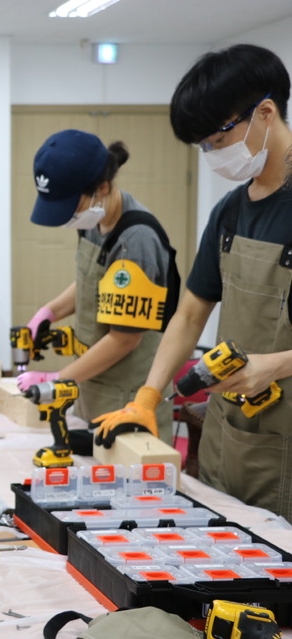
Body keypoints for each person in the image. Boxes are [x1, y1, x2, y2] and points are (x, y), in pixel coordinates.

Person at [93, 44, 292, 520]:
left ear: (265, 113)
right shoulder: (230, 210)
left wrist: (277, 364)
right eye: (202, 146)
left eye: (217, 140)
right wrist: (147, 396)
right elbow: (190, 312)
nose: (212, 156)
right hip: (232, 434)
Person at [17, 129, 179, 445]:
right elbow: (93, 281)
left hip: (129, 394)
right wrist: (49, 312)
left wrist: (55, 379)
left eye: (70, 206)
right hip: (95, 380)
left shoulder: (136, 241)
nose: (68, 218)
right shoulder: (94, 220)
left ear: (101, 188)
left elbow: (124, 339)